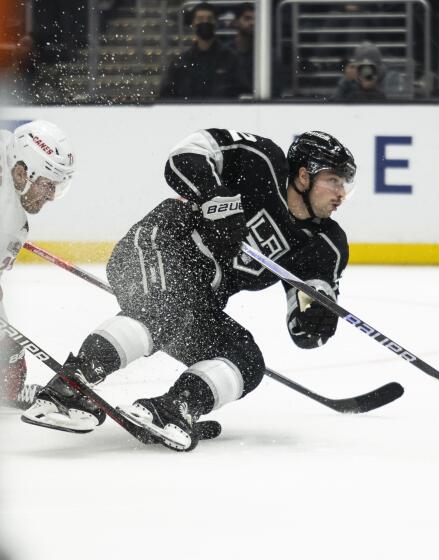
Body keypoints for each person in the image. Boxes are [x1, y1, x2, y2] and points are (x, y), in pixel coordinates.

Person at [22, 129, 356, 451]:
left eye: (345, 184)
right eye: (334, 180)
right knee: (168, 309)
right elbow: (187, 152)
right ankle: (67, 387)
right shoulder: (260, 160)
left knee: (247, 361)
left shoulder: (325, 245)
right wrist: (215, 196)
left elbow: (304, 324)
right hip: (157, 244)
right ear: (303, 175)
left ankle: (174, 408)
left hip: (197, 300)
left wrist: (316, 320)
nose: (341, 193)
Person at [1, 120, 75, 408]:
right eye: (47, 185)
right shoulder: (9, 224)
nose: (49, 197)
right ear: (22, 172)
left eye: (56, 187)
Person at [159, 2, 248, 100]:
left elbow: (243, 92)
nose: (205, 22)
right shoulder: (181, 62)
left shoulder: (232, 59)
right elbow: (166, 95)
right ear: (193, 24)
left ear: (216, 23)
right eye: (200, 19)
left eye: (209, 19)